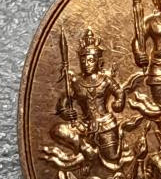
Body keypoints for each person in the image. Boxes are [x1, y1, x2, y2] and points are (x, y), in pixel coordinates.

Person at [52, 27, 125, 163]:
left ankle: (95, 153)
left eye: (91, 60)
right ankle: (85, 148)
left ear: (99, 62)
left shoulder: (105, 80)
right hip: (84, 125)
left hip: (105, 124)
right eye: (83, 61)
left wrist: (119, 102)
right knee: (57, 130)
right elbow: (62, 103)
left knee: (112, 157)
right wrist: (65, 112)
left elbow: (119, 92)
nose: (86, 64)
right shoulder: (76, 82)